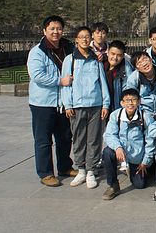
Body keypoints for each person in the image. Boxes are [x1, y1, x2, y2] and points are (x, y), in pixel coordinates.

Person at [27, 15, 77, 187]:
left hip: (63, 102)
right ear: (44, 31)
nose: (56, 32)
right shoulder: (37, 52)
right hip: (43, 103)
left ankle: (65, 166)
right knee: (43, 139)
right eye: (52, 29)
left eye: (59, 28)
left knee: (65, 137)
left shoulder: (68, 48)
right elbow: (37, 75)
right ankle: (46, 173)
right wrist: (60, 80)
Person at [61, 26, 109, 189]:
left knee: (94, 139)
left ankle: (91, 170)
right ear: (76, 39)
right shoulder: (70, 60)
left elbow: (102, 82)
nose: (84, 39)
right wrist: (68, 104)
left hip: (95, 105)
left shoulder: (96, 59)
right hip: (77, 106)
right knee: (79, 138)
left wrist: (105, 103)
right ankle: (81, 169)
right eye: (81, 36)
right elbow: (66, 84)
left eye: (87, 36)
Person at [101, 88, 155, 200]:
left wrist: (145, 161)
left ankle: (140, 170)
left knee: (140, 185)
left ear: (139, 101)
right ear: (122, 103)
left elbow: (151, 140)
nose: (130, 103)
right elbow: (109, 135)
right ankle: (113, 185)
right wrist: (117, 147)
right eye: (127, 100)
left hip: (137, 157)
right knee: (107, 152)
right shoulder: (116, 115)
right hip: (121, 153)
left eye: (134, 100)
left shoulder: (145, 117)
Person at [126, 51, 156, 118]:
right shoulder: (133, 78)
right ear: (136, 68)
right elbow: (131, 99)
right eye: (139, 63)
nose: (144, 64)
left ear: (151, 59)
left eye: (145, 59)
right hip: (144, 113)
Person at [104, 40, 133, 112]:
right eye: (113, 54)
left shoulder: (126, 70)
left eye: (119, 55)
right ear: (108, 52)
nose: (115, 58)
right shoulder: (101, 65)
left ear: (123, 56)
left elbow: (128, 89)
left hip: (117, 108)